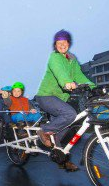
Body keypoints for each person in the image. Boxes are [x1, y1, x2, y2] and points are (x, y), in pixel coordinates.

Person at [35, 30, 95, 171]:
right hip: (46, 96)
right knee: (70, 114)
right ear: (55, 45)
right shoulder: (54, 58)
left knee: (66, 124)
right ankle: (44, 131)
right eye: (59, 42)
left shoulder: (72, 60)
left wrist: (94, 87)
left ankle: (61, 158)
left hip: (59, 99)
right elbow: (59, 71)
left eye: (65, 42)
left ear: (69, 43)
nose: (62, 45)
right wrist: (67, 82)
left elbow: (80, 76)